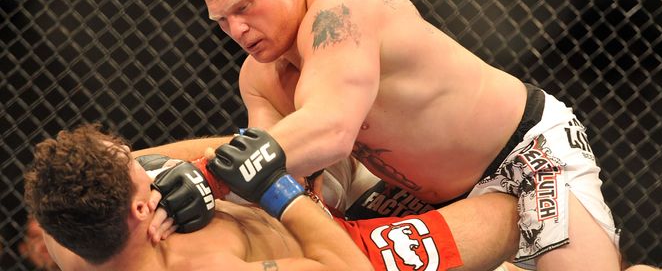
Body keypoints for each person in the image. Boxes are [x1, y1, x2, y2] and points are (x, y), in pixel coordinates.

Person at [152, 0, 619, 270]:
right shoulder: (258, 76)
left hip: (524, 155)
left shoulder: (343, 7)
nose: (236, 31)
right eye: (221, 21)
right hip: (417, 195)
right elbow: (278, 161)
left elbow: (330, 130)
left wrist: (209, 177)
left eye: (243, 7)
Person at [24, 123, 521, 271]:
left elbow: (213, 151)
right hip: (337, 249)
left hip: (302, 210)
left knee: (305, 120)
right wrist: (275, 191)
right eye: (141, 176)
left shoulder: (70, 226)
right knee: (510, 210)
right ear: (137, 210)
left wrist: (203, 178)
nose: (148, 168)